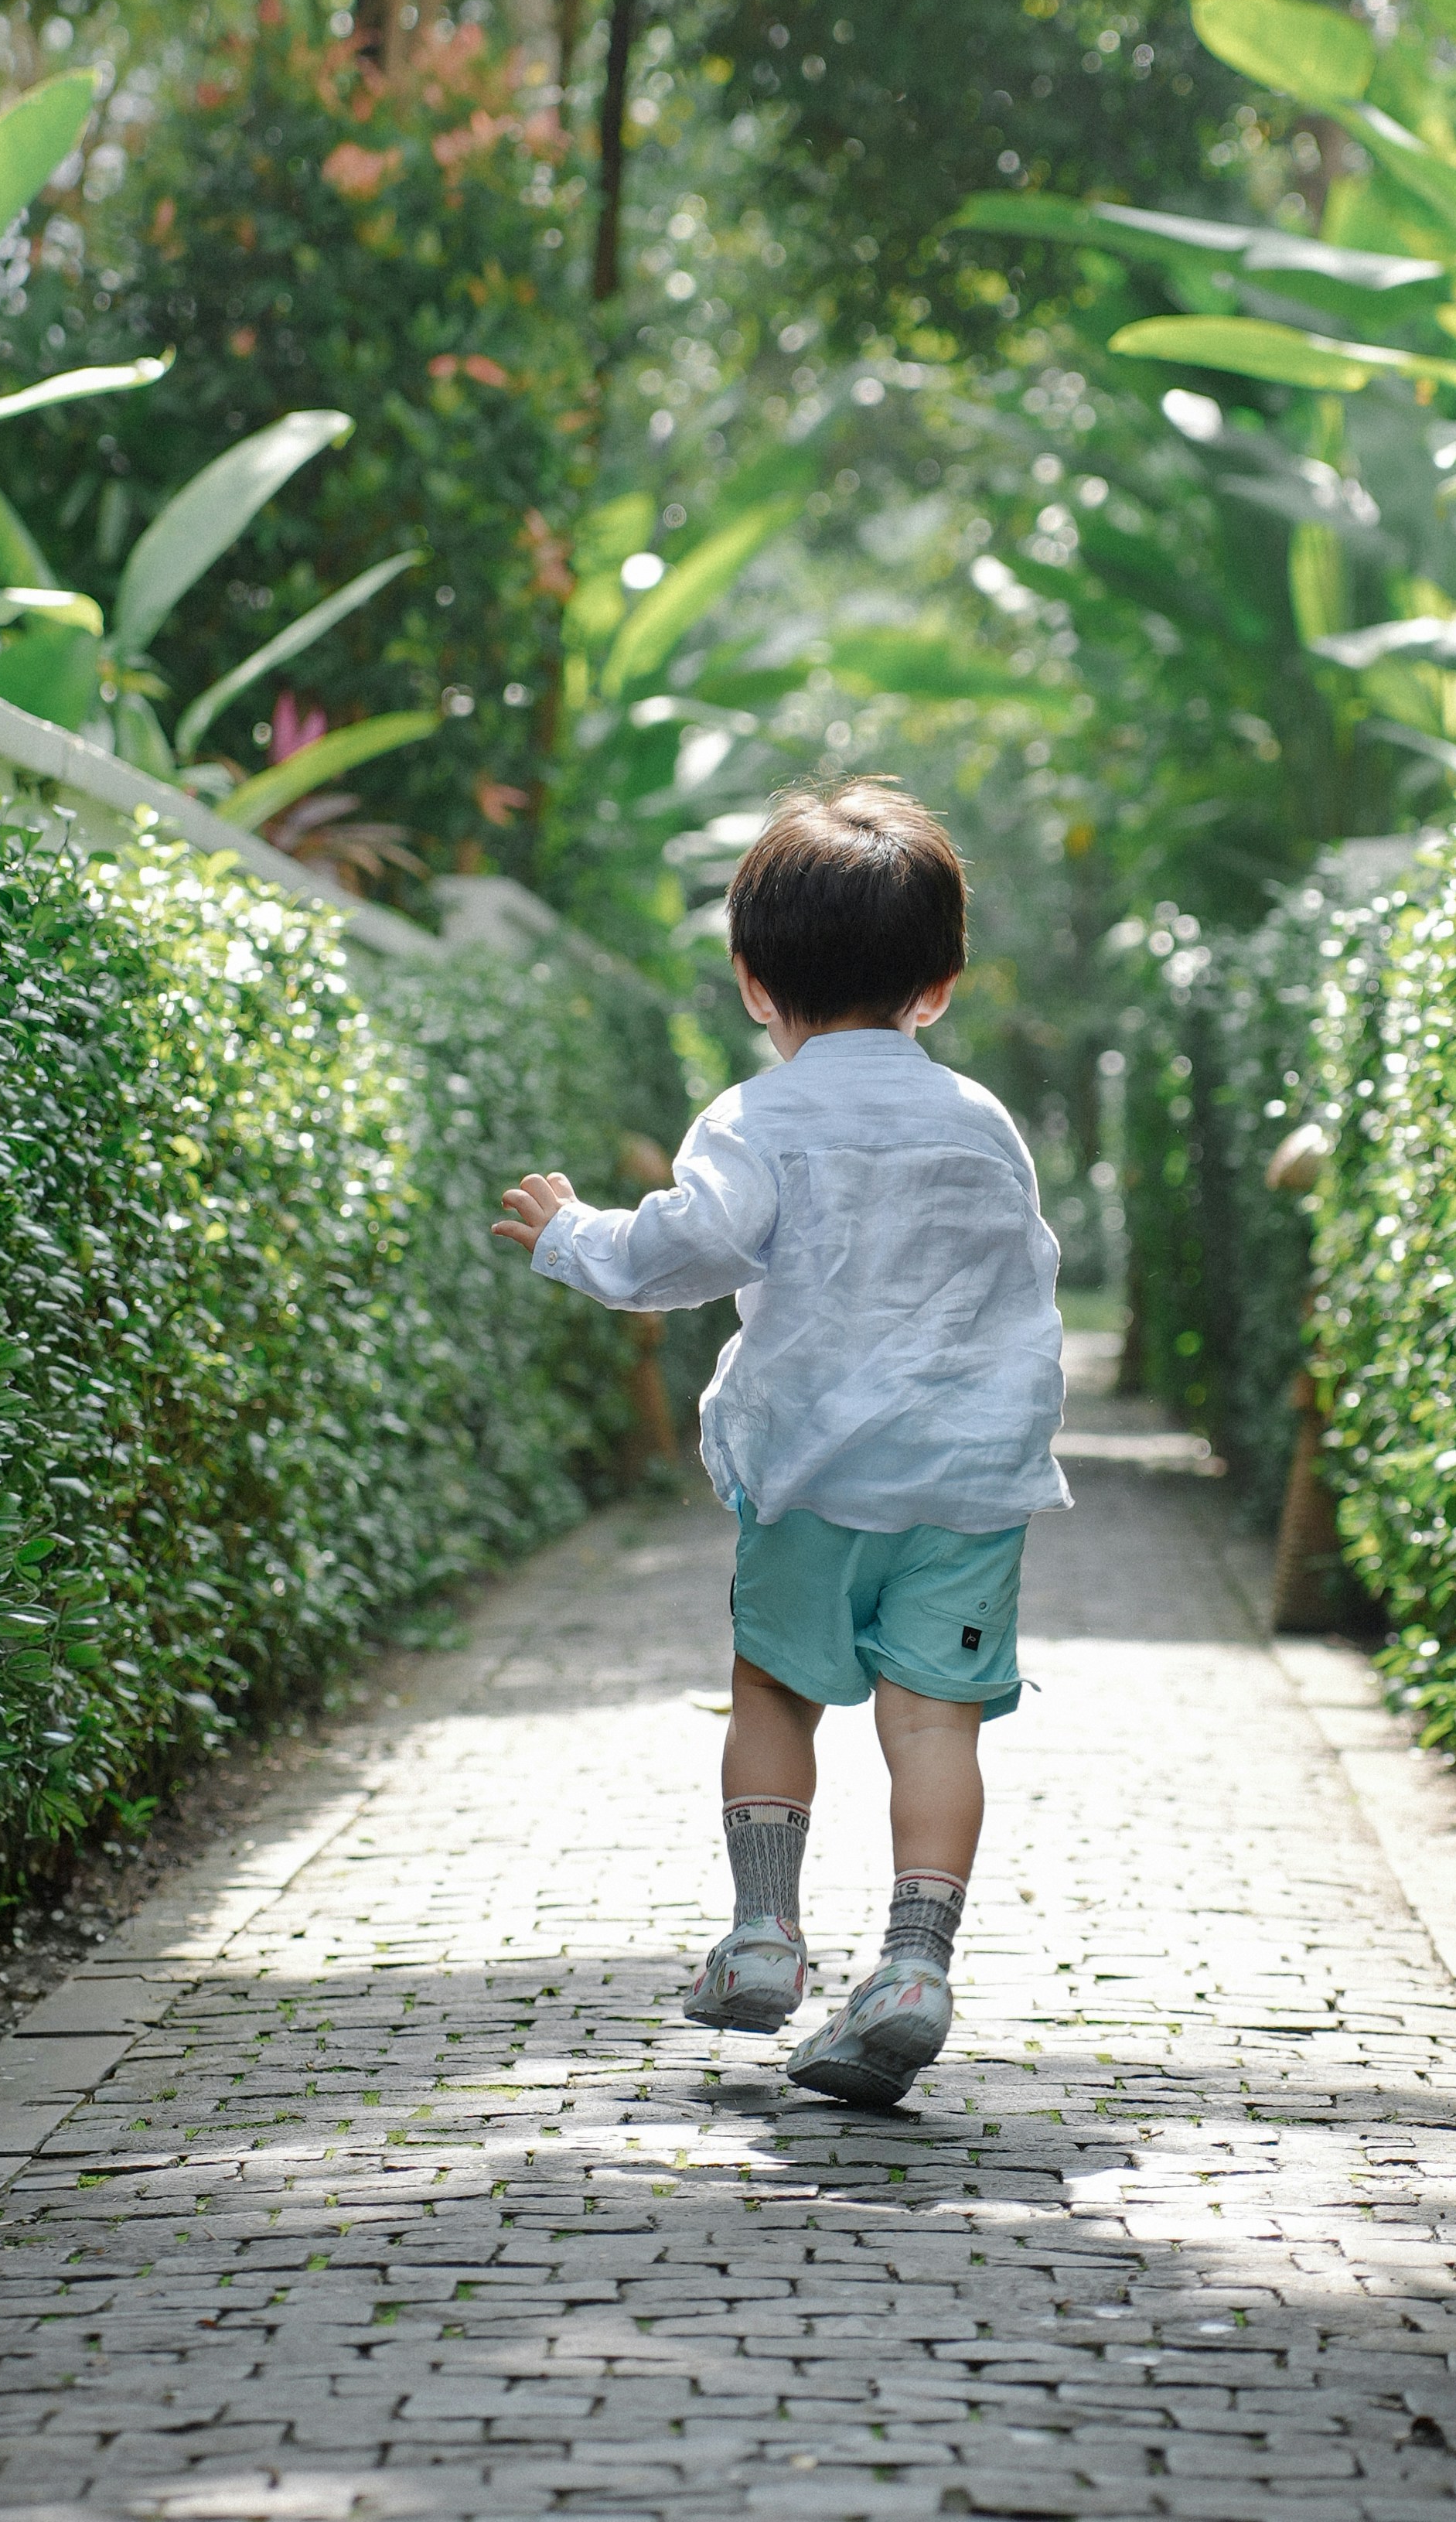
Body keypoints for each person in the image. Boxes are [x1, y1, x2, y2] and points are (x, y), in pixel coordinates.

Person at [492, 780, 1068, 2107]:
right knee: (937, 1733)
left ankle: (763, 1935)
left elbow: (687, 1252)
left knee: (771, 1691)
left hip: (813, 1475)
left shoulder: (757, 1119)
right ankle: (915, 1969)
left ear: (755, 983)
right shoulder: (984, 1124)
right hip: (967, 1486)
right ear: (941, 983)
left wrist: (575, 1233)